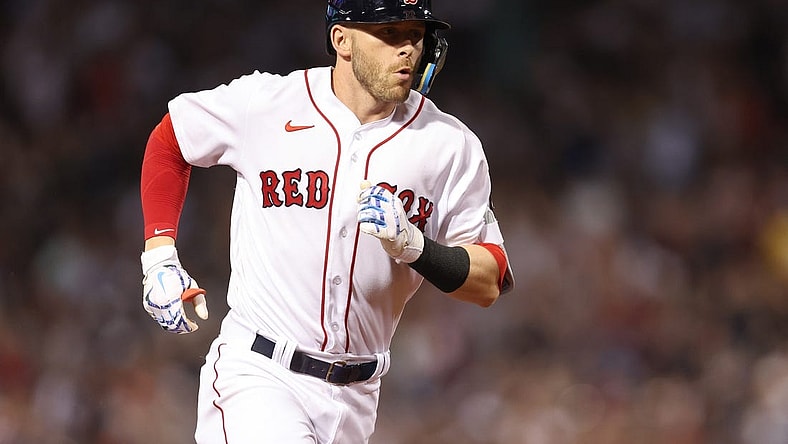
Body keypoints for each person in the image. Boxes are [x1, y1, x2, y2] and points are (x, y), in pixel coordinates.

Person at [139, 0, 514, 442]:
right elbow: (172, 138)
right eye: (389, 32)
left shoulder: (450, 145)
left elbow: (490, 279)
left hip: (358, 396)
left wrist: (417, 248)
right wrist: (159, 254)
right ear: (342, 39)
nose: (408, 49)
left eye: (415, 34)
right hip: (261, 374)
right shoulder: (267, 104)